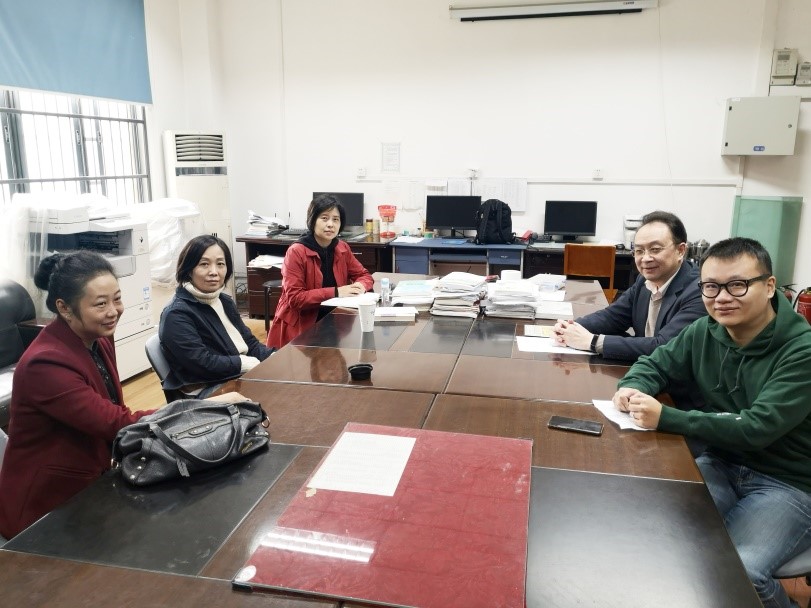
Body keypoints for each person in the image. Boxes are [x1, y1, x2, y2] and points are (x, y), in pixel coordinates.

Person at [612, 237, 811, 608]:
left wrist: (666, 417)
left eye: (738, 285)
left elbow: (757, 428)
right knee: (659, 540)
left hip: (786, 482)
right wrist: (633, 386)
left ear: (769, 286)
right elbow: (654, 364)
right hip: (721, 462)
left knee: (741, 572)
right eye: (711, 287)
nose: (722, 298)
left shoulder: (802, 351)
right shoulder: (705, 330)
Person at [553, 210, 705, 361]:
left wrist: (592, 342)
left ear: (680, 251)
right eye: (639, 251)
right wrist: (571, 327)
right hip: (643, 368)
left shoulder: (699, 292)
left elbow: (664, 346)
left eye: (655, 249)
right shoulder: (643, 281)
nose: (645, 258)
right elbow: (613, 317)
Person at [160, 235, 275, 397]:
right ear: (189, 269)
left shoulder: (224, 301)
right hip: (207, 389)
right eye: (204, 264)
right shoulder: (176, 314)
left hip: (235, 375)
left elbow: (249, 343)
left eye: (220, 264)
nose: (214, 272)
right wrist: (243, 363)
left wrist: (273, 357)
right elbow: (201, 363)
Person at [267, 194, 374, 349]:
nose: (330, 224)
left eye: (336, 219)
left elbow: (364, 275)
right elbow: (295, 299)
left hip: (334, 322)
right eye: (324, 218)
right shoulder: (296, 251)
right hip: (301, 328)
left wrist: (361, 286)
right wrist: (337, 292)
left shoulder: (342, 248)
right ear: (313, 220)